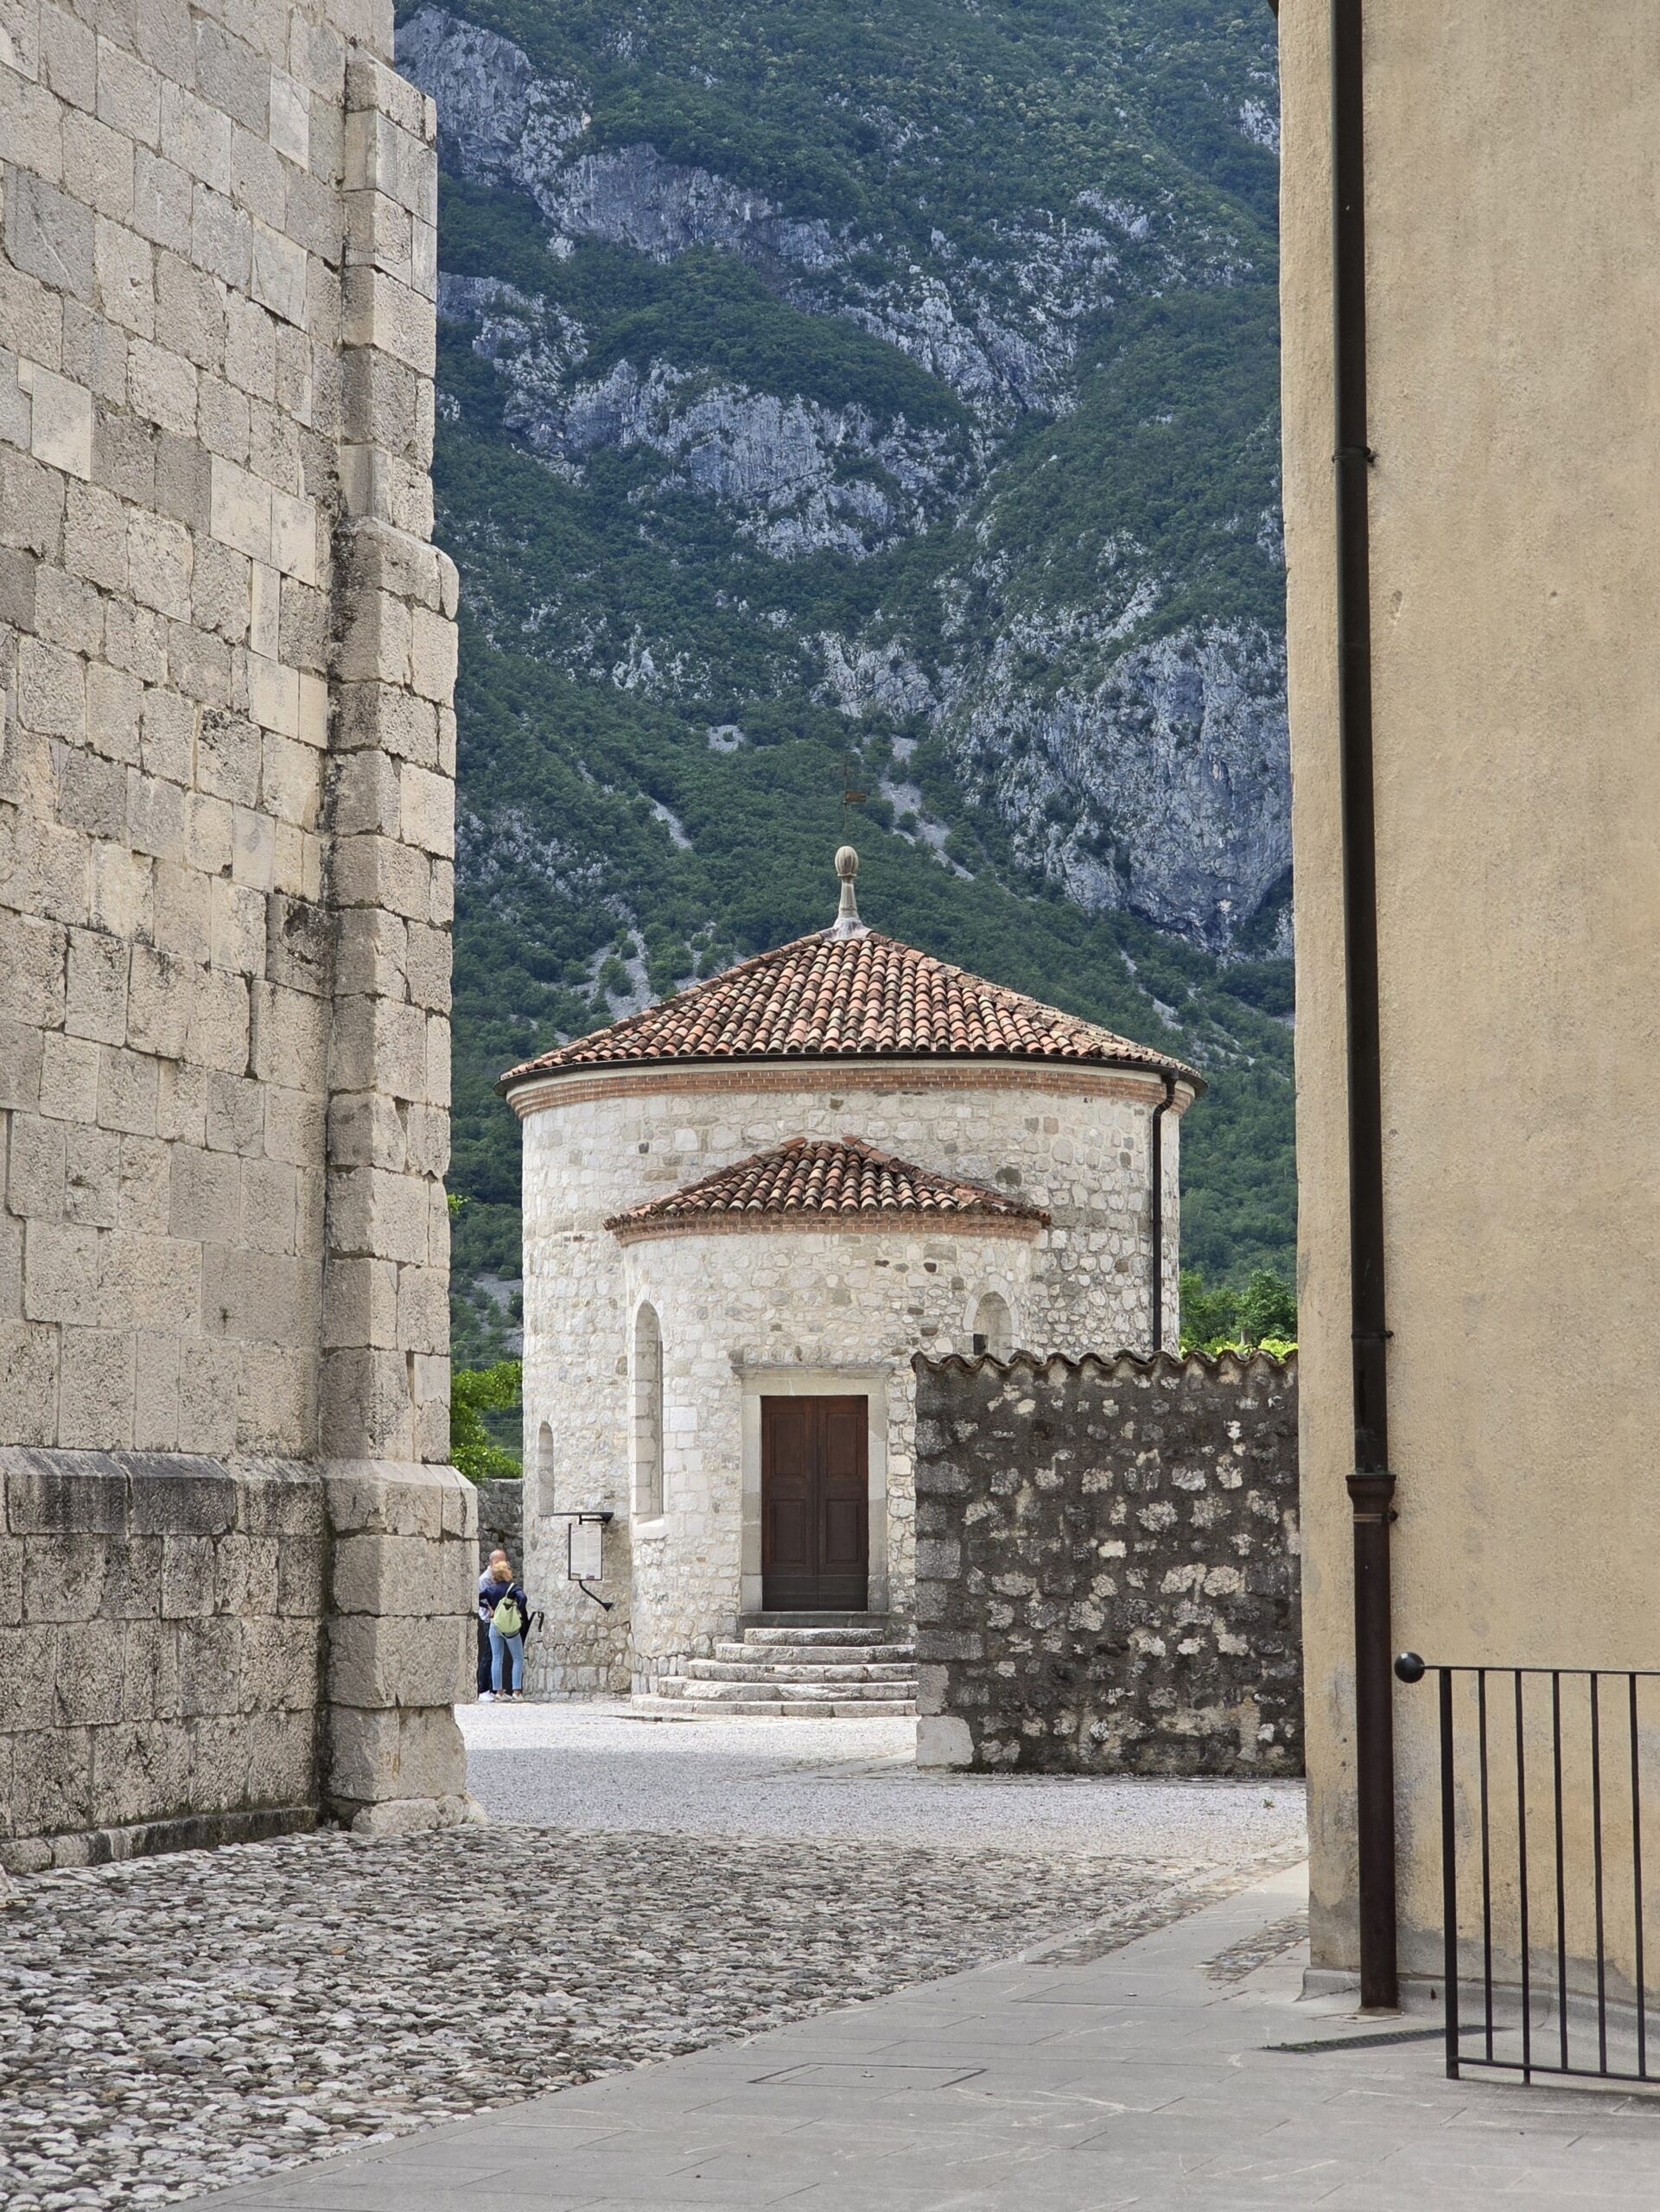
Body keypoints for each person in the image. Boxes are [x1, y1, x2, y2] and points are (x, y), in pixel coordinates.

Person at [480, 1551, 531, 1700]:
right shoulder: (513, 1588)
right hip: (509, 1626)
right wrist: (517, 1610)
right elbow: (523, 1599)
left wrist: (488, 1608)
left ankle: (499, 1692)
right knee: (518, 1657)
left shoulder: (490, 1589)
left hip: (495, 1625)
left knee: (497, 1658)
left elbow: (476, 1598)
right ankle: (516, 1692)